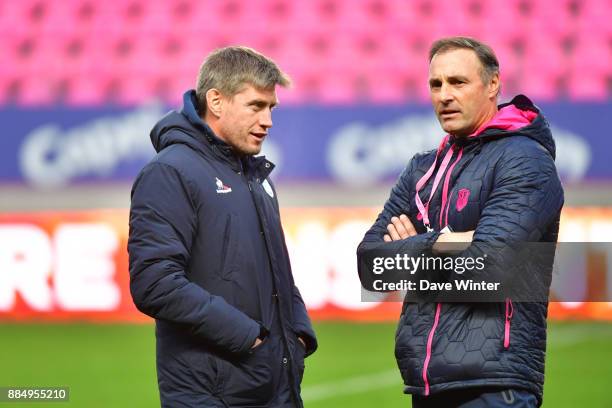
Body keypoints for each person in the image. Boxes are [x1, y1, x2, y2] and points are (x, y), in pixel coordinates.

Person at [357, 37, 564, 407]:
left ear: (493, 85)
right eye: (436, 84)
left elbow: (490, 267)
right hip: (427, 382)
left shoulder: (525, 160)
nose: (444, 95)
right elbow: (372, 266)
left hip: (496, 385)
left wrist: (411, 251)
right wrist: (443, 242)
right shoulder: (422, 168)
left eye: (458, 82)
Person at [128, 46, 317, 408]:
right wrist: (248, 337)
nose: (268, 121)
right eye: (256, 106)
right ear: (216, 101)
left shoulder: (256, 177)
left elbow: (279, 273)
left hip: (275, 386)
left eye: (271, 108)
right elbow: (154, 282)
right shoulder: (170, 172)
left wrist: (299, 333)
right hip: (210, 393)